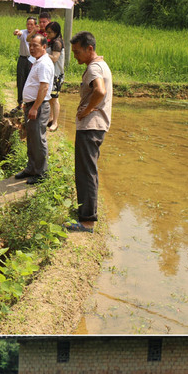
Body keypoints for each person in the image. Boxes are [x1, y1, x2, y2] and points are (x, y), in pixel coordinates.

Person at [66, 31, 113, 232]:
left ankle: (87, 221)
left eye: (77, 52)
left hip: (91, 126)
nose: (75, 56)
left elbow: (100, 91)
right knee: (87, 170)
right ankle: (85, 214)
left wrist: (85, 110)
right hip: (95, 126)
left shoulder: (94, 67)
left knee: (86, 172)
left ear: (90, 49)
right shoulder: (100, 65)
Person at [14, 34, 54, 185]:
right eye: (30, 45)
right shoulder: (37, 61)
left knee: (38, 139)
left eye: (35, 45)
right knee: (31, 139)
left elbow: (44, 87)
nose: (31, 48)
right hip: (32, 105)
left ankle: (41, 173)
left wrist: (35, 107)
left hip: (39, 106)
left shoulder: (44, 63)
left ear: (44, 47)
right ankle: (31, 168)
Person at [13, 16, 38, 108]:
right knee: (20, 80)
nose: (29, 26)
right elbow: (18, 32)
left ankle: (29, 102)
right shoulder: (23, 32)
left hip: (32, 59)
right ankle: (20, 102)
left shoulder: (37, 35)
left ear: (35, 25)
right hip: (23, 59)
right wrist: (16, 31)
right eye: (28, 24)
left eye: (31, 24)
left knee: (31, 81)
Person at [44, 21, 65, 131]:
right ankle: (50, 118)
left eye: (50, 32)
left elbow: (55, 58)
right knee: (50, 98)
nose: (47, 34)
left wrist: (43, 53)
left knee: (54, 99)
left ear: (56, 32)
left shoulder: (57, 42)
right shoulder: (52, 41)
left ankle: (55, 123)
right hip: (51, 74)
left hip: (56, 75)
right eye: (46, 32)